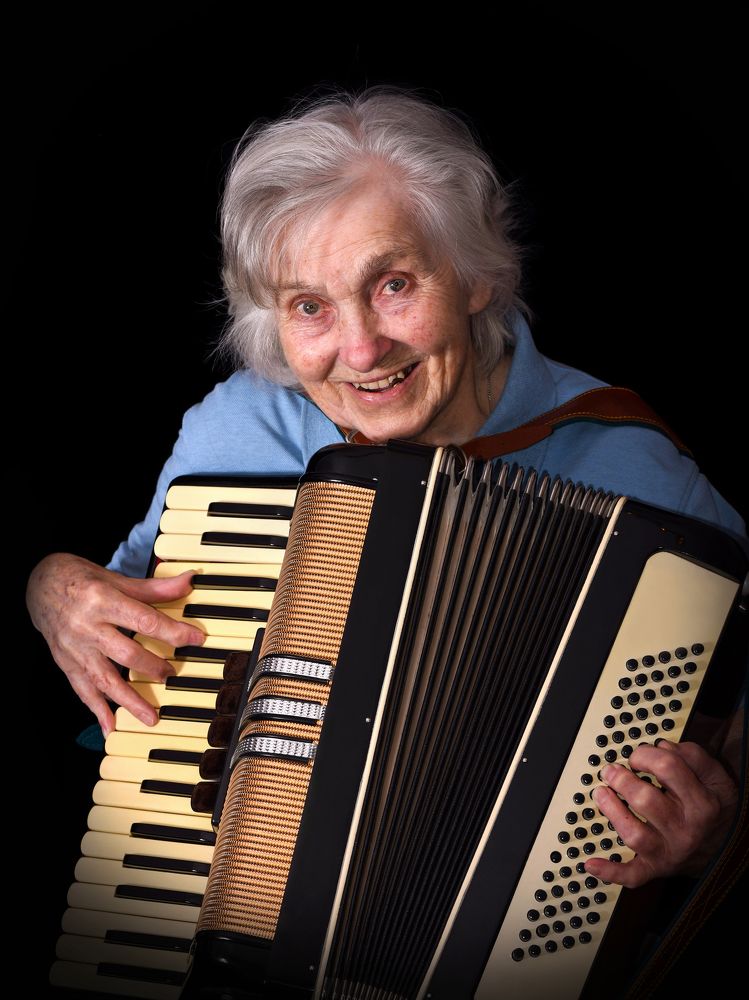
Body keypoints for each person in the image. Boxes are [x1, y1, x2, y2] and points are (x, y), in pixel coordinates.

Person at [27, 87, 746, 896]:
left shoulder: (636, 475)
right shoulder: (238, 429)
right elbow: (123, 607)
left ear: (473, 276)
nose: (362, 350)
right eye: (309, 306)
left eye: (394, 284)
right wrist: (50, 590)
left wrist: (717, 823)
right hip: (226, 898)